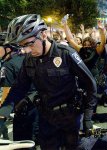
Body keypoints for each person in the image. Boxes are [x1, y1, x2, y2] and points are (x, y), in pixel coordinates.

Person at [0, 14, 97, 150]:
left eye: (29, 44)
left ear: (44, 34)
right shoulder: (29, 59)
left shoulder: (66, 54)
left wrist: (88, 118)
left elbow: (90, 84)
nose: (27, 50)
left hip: (70, 117)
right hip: (46, 118)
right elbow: (18, 88)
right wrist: (3, 113)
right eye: (22, 46)